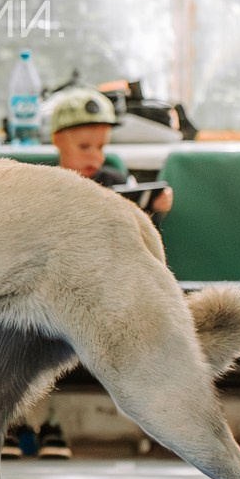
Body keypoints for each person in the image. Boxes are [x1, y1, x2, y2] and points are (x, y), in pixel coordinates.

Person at [29, 86, 174, 458]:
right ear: (59, 142)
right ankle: (26, 424)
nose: (95, 157)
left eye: (101, 147)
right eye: (85, 147)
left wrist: (153, 204)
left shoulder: (111, 179)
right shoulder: (40, 184)